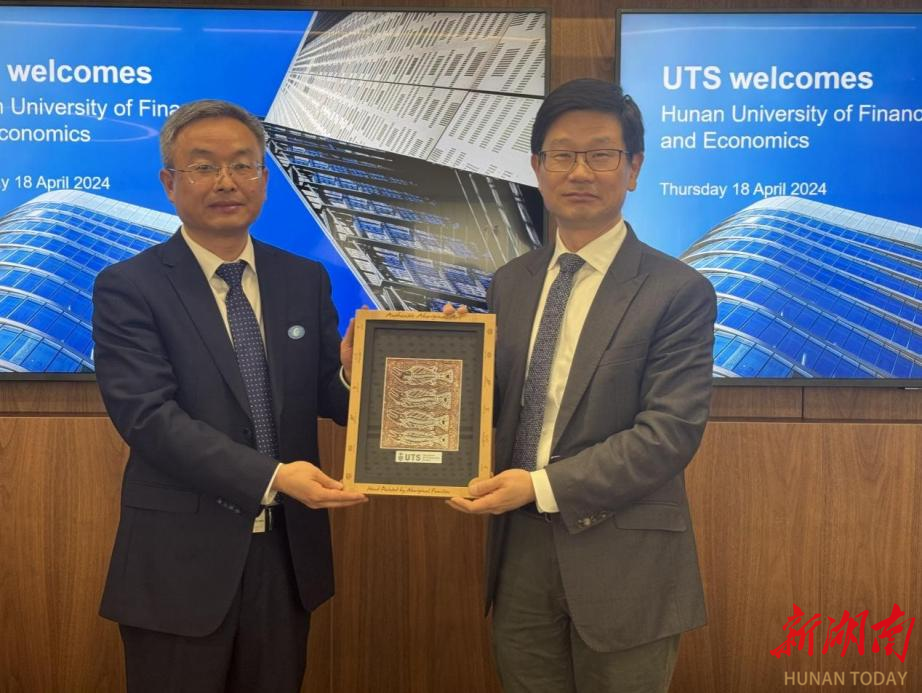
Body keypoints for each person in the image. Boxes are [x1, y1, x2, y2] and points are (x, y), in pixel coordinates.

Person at [448, 78, 716, 692]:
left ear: (634, 168)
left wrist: (540, 486)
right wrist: (441, 360)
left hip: (624, 557)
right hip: (519, 552)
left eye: (601, 154)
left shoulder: (678, 291)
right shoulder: (510, 282)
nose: (580, 172)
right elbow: (496, 408)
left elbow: (668, 435)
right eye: (562, 155)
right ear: (537, 167)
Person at [92, 99, 367, 693]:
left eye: (243, 165)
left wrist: (351, 377)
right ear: (170, 182)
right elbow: (148, 418)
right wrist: (274, 476)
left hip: (286, 560)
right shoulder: (129, 286)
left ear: (263, 179)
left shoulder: (304, 279)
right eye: (203, 166)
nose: (226, 182)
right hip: (179, 564)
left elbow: (327, 395)